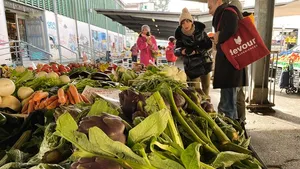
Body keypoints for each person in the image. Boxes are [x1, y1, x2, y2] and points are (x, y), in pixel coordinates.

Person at [208, 0, 248, 120]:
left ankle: (230, 132)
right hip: (234, 65)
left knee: (227, 106)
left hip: (230, 67)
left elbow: (231, 29)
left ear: (218, 2)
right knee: (232, 102)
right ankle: (237, 128)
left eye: (210, 7)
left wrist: (218, 36)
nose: (209, 12)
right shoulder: (227, 12)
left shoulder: (227, 12)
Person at [174, 8, 213, 96]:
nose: (185, 24)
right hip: (192, 67)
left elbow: (209, 45)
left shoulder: (201, 31)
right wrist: (182, 51)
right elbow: (176, 51)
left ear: (192, 22)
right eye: (183, 23)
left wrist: (196, 51)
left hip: (205, 63)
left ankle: (207, 106)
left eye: (187, 21)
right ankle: (199, 107)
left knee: (206, 87)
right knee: (195, 91)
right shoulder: (180, 36)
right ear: (181, 25)